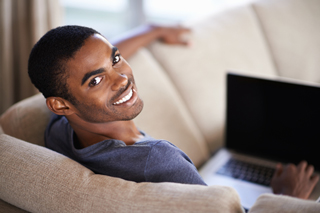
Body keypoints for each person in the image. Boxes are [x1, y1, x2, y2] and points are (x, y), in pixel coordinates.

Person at [28, 25, 318, 199]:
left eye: (116, 58)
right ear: (60, 104)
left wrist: (153, 30)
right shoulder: (157, 160)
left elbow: (89, 61)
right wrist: (285, 198)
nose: (122, 78)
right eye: (96, 80)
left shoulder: (58, 128)